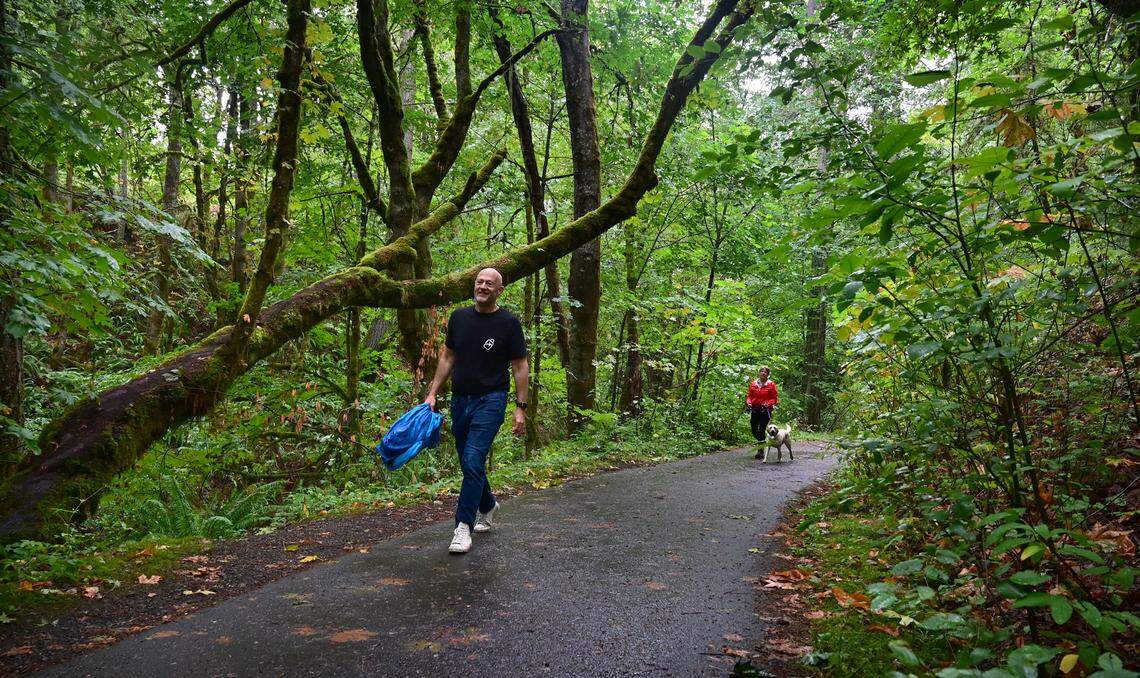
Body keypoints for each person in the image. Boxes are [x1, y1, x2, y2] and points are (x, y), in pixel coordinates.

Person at [424, 268, 528, 554]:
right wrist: (432, 393)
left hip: (491, 400)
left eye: (489, 284)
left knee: (472, 458)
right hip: (460, 400)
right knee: (469, 463)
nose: (483, 286)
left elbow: (520, 365)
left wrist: (520, 408)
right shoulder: (459, 317)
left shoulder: (508, 323)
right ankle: (487, 504)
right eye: (479, 282)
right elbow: (448, 356)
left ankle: (462, 527)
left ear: (499, 290)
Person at [746, 366, 778, 459]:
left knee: (761, 429)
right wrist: (749, 402)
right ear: (759, 373)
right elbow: (749, 396)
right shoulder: (753, 384)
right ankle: (763, 442)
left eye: (765, 372)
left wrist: (768, 403)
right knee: (753, 428)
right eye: (762, 371)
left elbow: (775, 398)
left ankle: (760, 451)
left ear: (768, 375)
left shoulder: (771, 384)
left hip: (766, 410)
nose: (763, 373)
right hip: (755, 409)